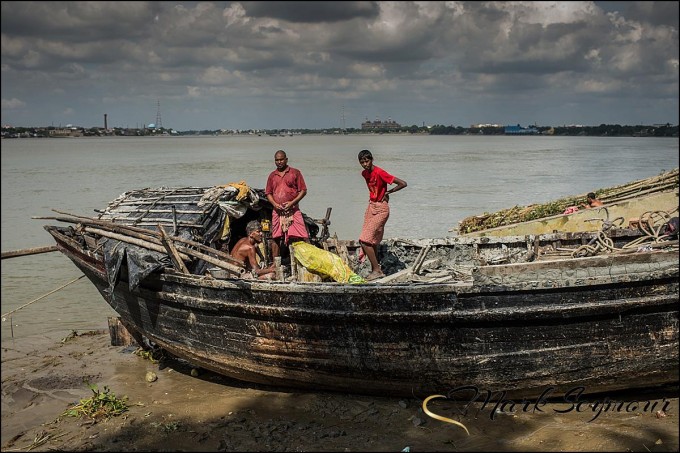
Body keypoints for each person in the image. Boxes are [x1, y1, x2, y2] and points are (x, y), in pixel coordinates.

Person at [357, 149, 407, 281]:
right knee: (371, 240)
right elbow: (373, 190)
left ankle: (377, 270)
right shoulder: (364, 174)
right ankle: (376, 267)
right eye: (362, 162)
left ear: (372, 159)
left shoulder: (380, 172)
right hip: (371, 206)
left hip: (381, 209)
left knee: (364, 239)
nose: (365, 164)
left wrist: (388, 193)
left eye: (367, 161)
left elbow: (403, 183)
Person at [265, 150, 309, 258]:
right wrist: (275, 204)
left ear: (286, 160)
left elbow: (303, 190)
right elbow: (268, 193)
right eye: (277, 160)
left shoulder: (295, 172)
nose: (279, 162)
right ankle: (275, 263)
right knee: (275, 236)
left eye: (281, 159)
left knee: (301, 235)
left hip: (293, 210)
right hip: (277, 210)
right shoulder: (272, 175)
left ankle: (304, 259)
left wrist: (292, 203)